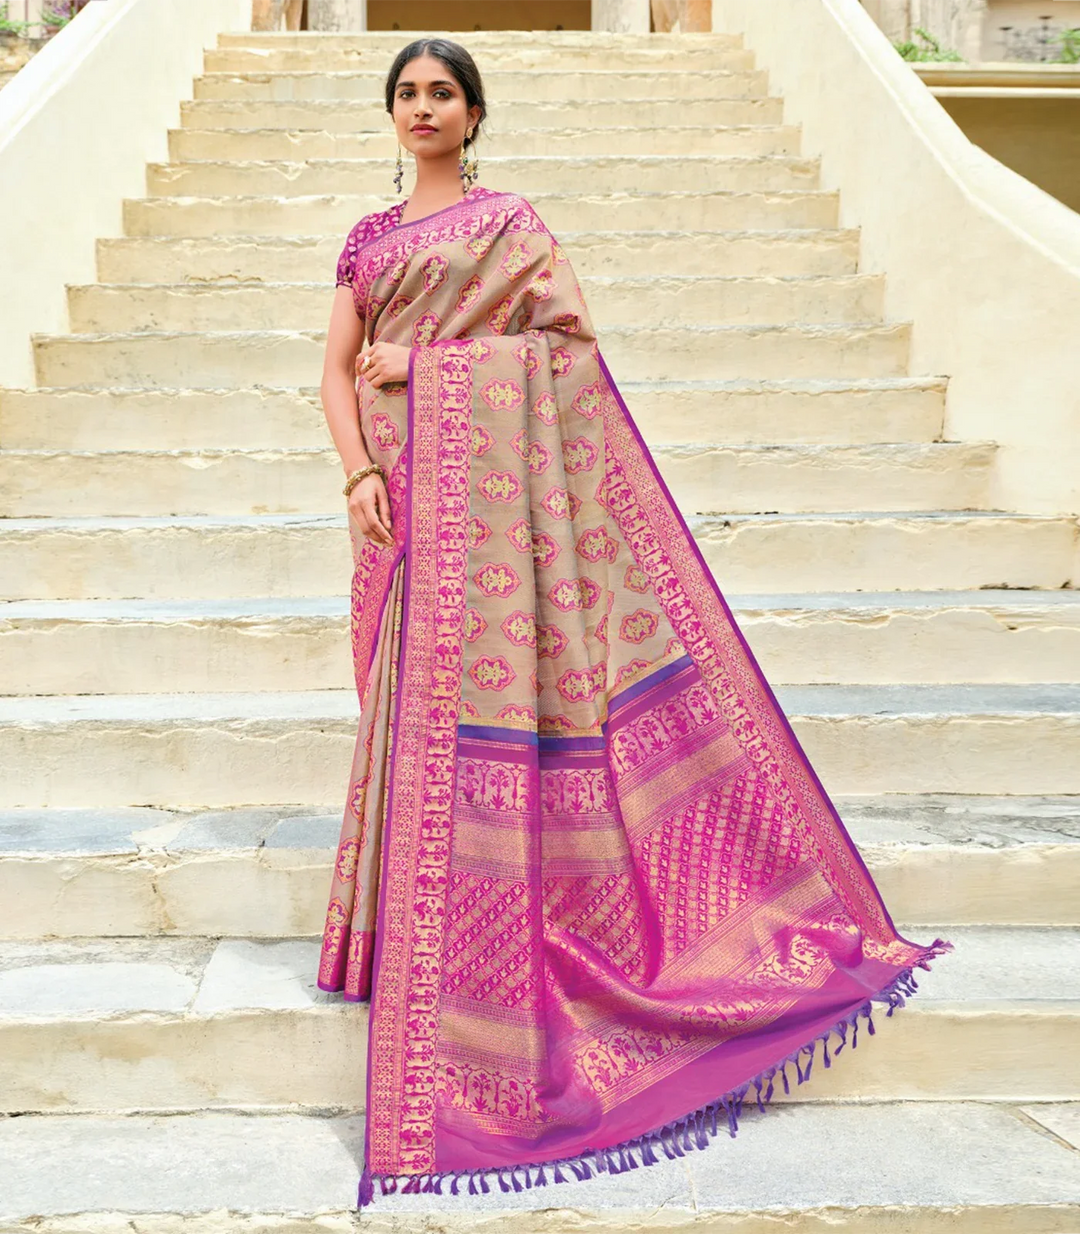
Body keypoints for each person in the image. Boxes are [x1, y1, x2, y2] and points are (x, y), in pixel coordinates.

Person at [317, 36, 953, 1208]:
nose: (423, 108)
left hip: (490, 515)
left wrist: (436, 372)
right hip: (399, 500)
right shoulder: (366, 239)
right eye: (406, 93)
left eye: (442, 93)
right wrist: (358, 470)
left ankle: (482, 941)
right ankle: (386, 939)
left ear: (473, 113)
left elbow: (564, 353)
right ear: (389, 112)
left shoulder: (513, 228)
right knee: (401, 709)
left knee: (465, 713)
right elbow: (336, 369)